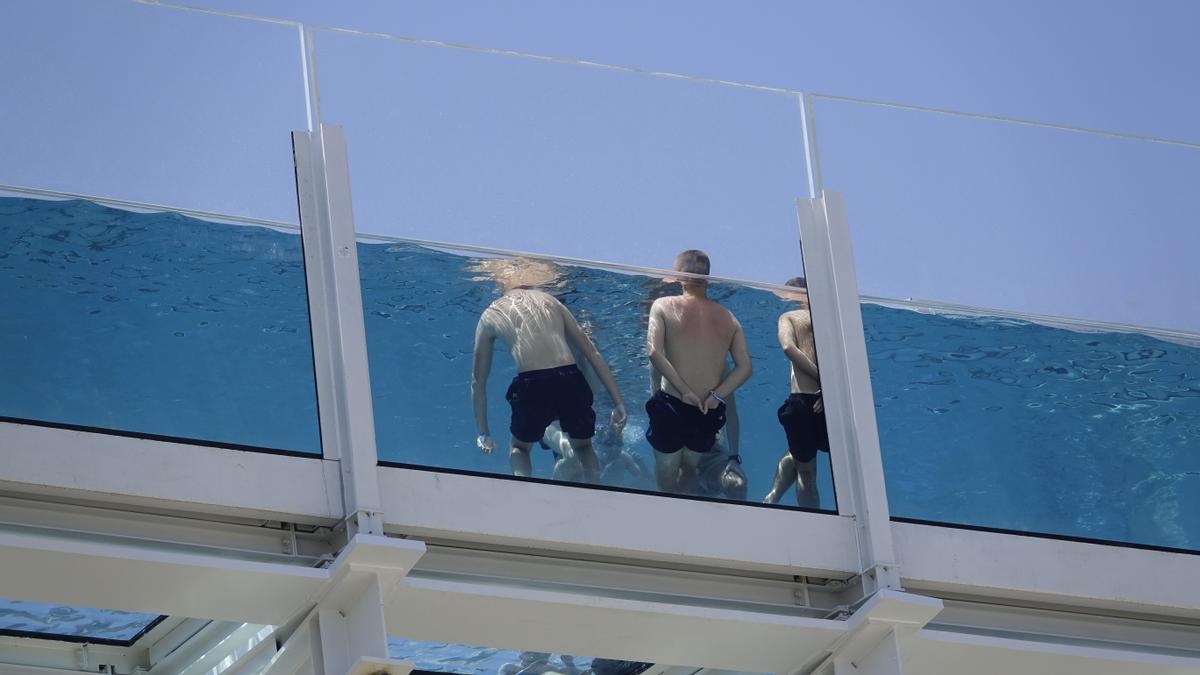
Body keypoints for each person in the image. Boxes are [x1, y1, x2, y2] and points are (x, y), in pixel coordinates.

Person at [471, 257, 627, 481]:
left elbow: (478, 381)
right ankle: (597, 492)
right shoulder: (551, 301)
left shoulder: (491, 313)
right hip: (570, 377)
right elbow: (592, 353)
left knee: (520, 448)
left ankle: (524, 494)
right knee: (583, 447)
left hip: (532, 383)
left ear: (500, 284)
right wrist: (618, 401)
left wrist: (483, 432)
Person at [644, 250, 752, 493]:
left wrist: (684, 391)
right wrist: (716, 396)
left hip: (673, 402)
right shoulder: (729, 317)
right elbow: (745, 368)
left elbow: (653, 352)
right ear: (707, 278)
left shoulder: (662, 305)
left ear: (679, 276)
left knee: (666, 471)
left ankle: (669, 522)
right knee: (690, 469)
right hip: (706, 409)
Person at [764, 276, 828, 508]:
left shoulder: (788, 316)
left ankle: (774, 499)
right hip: (825, 399)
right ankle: (774, 499)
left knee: (805, 467)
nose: (782, 302)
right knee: (805, 465)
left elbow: (788, 346)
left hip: (808, 401)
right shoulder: (832, 320)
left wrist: (826, 384)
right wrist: (831, 387)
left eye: (784, 297)